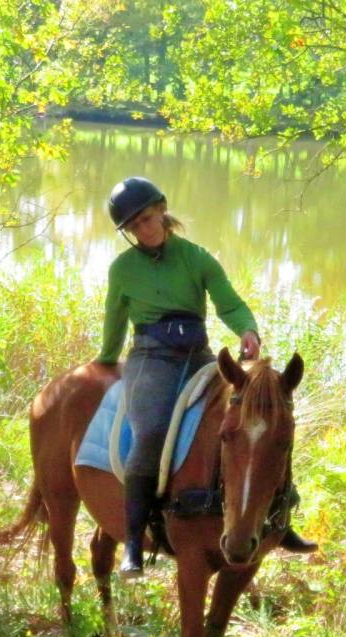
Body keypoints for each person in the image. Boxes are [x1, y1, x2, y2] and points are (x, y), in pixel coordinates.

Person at [96, 175, 317, 578]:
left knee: (254, 428)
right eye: (134, 226)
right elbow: (115, 319)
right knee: (149, 434)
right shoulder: (122, 269)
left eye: (147, 219)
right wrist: (107, 359)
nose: (144, 230)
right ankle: (132, 542)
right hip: (151, 359)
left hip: (198, 355)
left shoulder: (197, 258)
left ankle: (279, 521)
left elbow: (227, 302)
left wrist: (246, 330)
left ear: (161, 209)